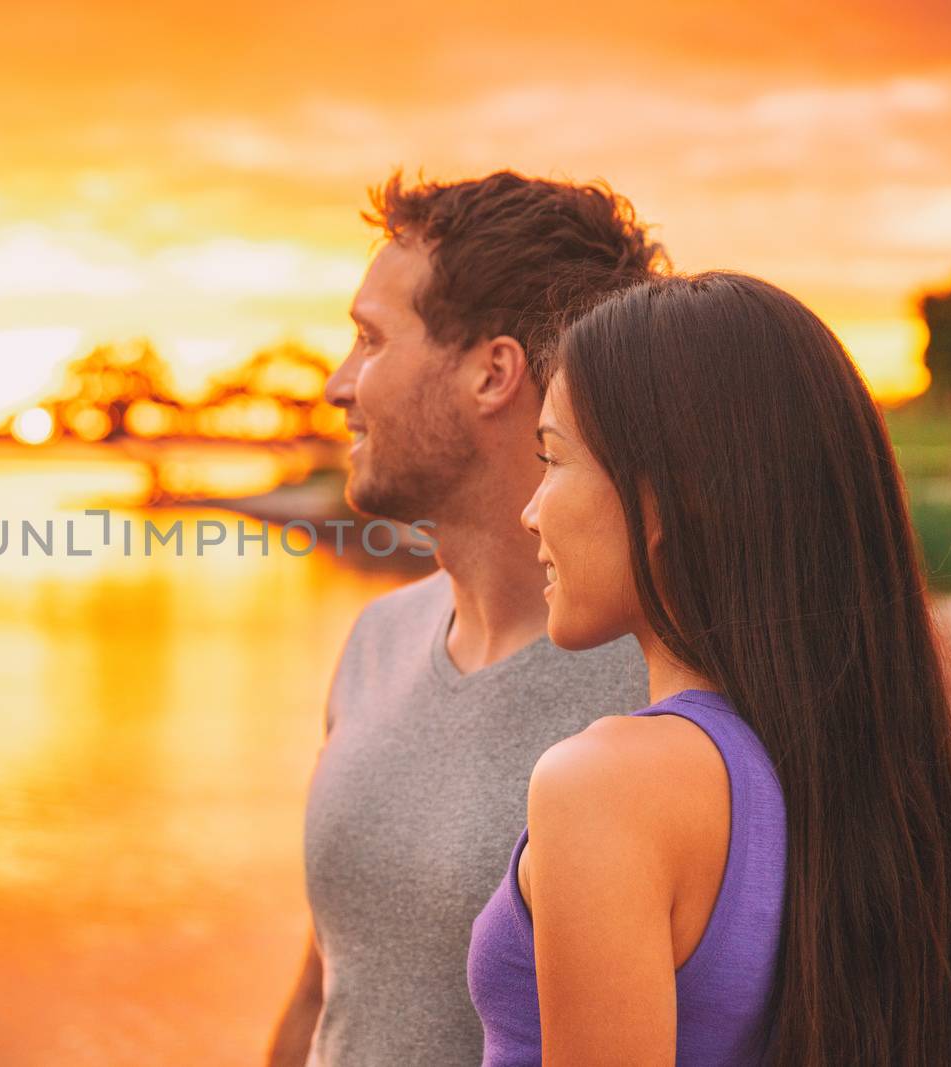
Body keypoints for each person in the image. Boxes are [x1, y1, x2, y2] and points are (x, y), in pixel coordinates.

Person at [469, 271, 951, 1065]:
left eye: (553, 459)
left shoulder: (603, 785)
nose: (532, 509)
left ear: (662, 500)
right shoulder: (892, 771)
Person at [266, 170, 664, 1067]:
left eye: (370, 340)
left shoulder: (663, 683)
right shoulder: (380, 638)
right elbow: (326, 984)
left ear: (493, 371)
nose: (339, 384)